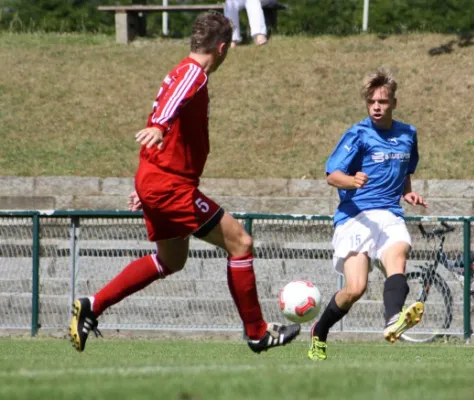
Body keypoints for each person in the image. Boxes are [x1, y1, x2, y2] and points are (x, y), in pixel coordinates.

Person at [69, 11, 300, 354]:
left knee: (170, 261)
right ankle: (257, 332)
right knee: (240, 242)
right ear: (222, 48)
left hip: (156, 178)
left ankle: (93, 304)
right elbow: (166, 114)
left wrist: (145, 182)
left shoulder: (180, 71)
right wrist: (160, 127)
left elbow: (169, 117)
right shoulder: (193, 73)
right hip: (169, 185)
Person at [307, 68, 428, 361]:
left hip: (389, 213)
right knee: (355, 288)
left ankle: (392, 321)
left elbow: (406, 168)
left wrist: (407, 191)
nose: (377, 106)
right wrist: (351, 181)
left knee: (398, 255)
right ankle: (319, 332)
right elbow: (331, 175)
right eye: (372, 101)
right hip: (355, 215)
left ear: (394, 103)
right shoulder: (358, 134)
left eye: (383, 102)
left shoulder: (408, 134)